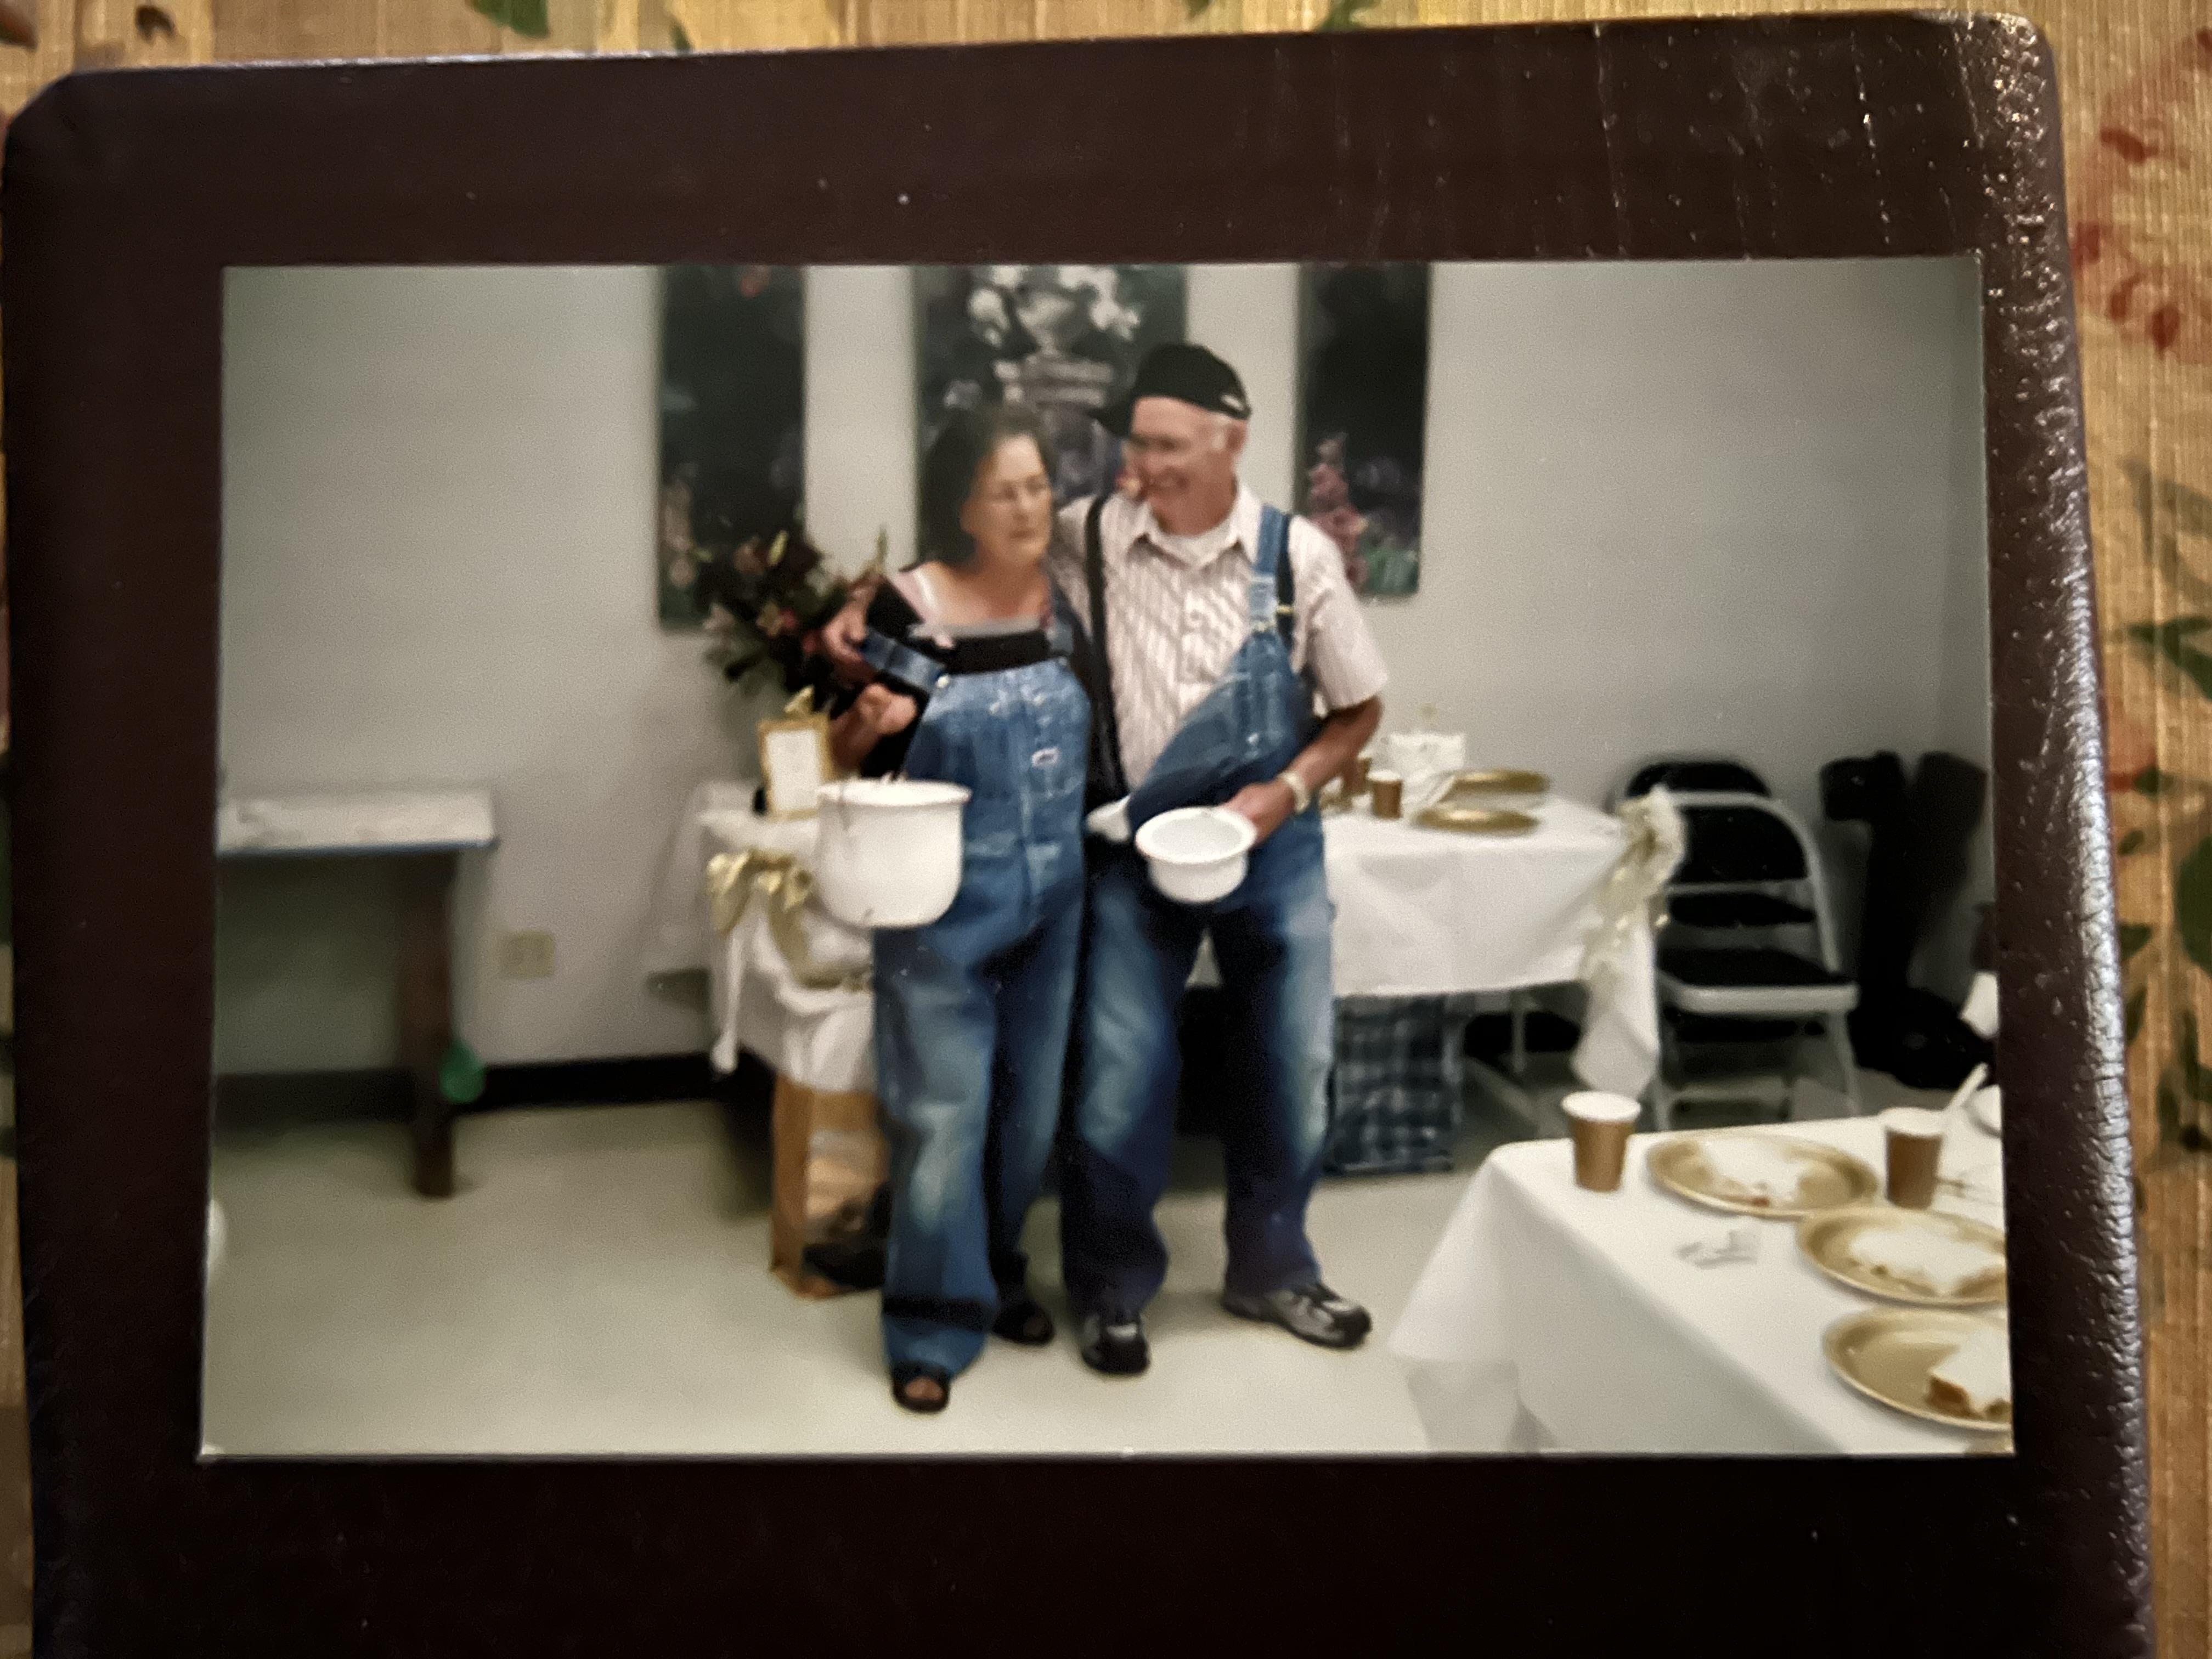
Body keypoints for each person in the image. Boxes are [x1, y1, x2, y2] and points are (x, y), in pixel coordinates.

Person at [826, 342, 1387, 1379]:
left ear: (1234, 441)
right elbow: (941, 590)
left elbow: (1360, 709)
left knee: (1294, 1064)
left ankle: (1272, 1267)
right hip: (1125, 845)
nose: (1145, 465)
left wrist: (1285, 793)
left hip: (1263, 838)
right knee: (1113, 1079)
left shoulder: (1295, 556)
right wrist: (869, 620)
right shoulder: (1088, 539)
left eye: (1170, 445)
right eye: (1136, 443)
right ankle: (1107, 1291)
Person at [825, 405, 1092, 1414]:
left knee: (1026, 1118)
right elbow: (844, 759)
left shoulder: (1071, 603)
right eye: (1003, 491)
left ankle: (1000, 1277)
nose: (1028, 507)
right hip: (939, 910)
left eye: (1037, 486)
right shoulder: (911, 608)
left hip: (1056, 901)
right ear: (961, 506)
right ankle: (931, 1322)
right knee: (943, 1120)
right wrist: (870, 718)